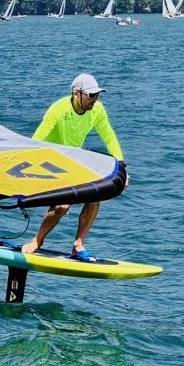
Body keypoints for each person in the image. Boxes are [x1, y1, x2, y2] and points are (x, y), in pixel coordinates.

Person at [21, 73, 126, 262]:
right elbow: (37, 139)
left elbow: (109, 137)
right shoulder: (59, 109)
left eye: (97, 95)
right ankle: (37, 241)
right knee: (62, 205)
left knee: (96, 195)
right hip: (51, 162)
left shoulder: (97, 110)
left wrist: (122, 166)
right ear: (77, 93)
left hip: (74, 161)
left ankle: (78, 246)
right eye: (91, 95)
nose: (95, 99)